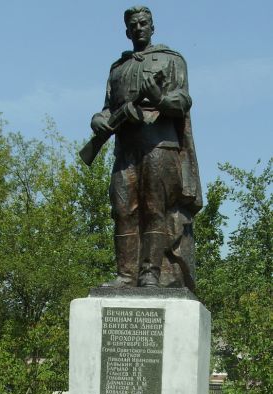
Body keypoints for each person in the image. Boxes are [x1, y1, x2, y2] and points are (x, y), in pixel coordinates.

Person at [91, 6, 202, 289]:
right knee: (122, 208)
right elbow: (108, 108)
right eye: (134, 24)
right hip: (126, 148)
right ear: (127, 31)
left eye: (144, 23)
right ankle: (126, 276)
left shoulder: (172, 60)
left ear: (152, 27)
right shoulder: (119, 68)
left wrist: (160, 99)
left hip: (160, 145)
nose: (139, 28)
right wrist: (99, 120)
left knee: (155, 209)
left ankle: (150, 274)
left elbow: (183, 102)